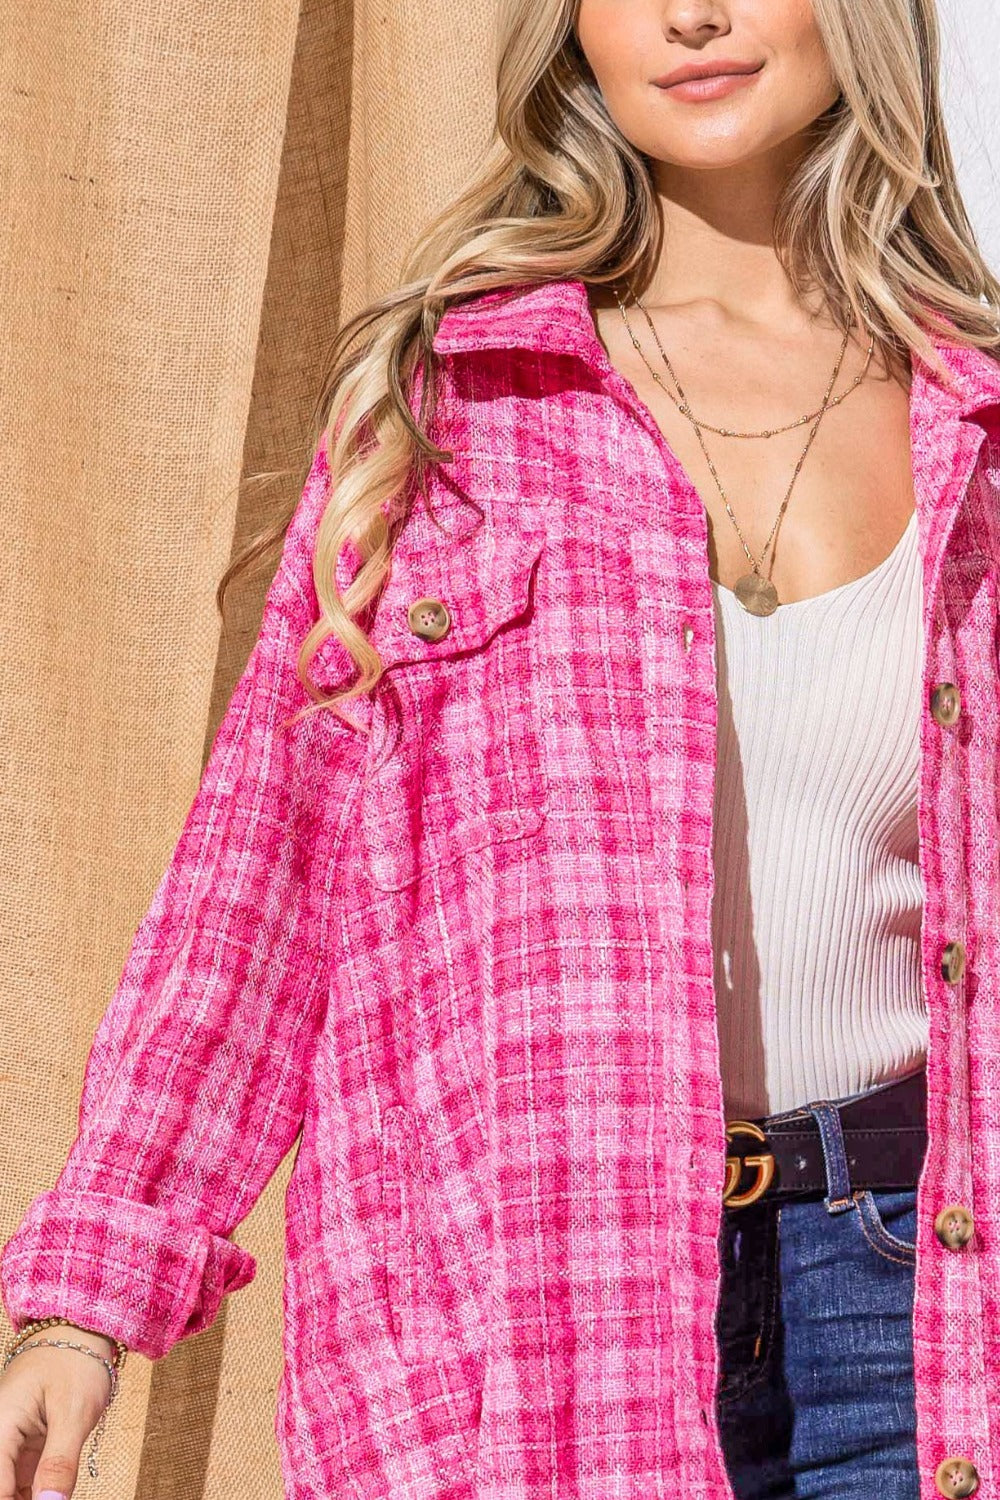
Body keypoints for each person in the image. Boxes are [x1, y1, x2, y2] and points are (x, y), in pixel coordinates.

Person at [2, 0, 999, 1496]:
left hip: (922, 1294)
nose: (693, 15)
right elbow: (262, 883)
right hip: (528, 1306)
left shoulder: (974, 423)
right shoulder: (448, 410)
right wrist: (87, 1301)